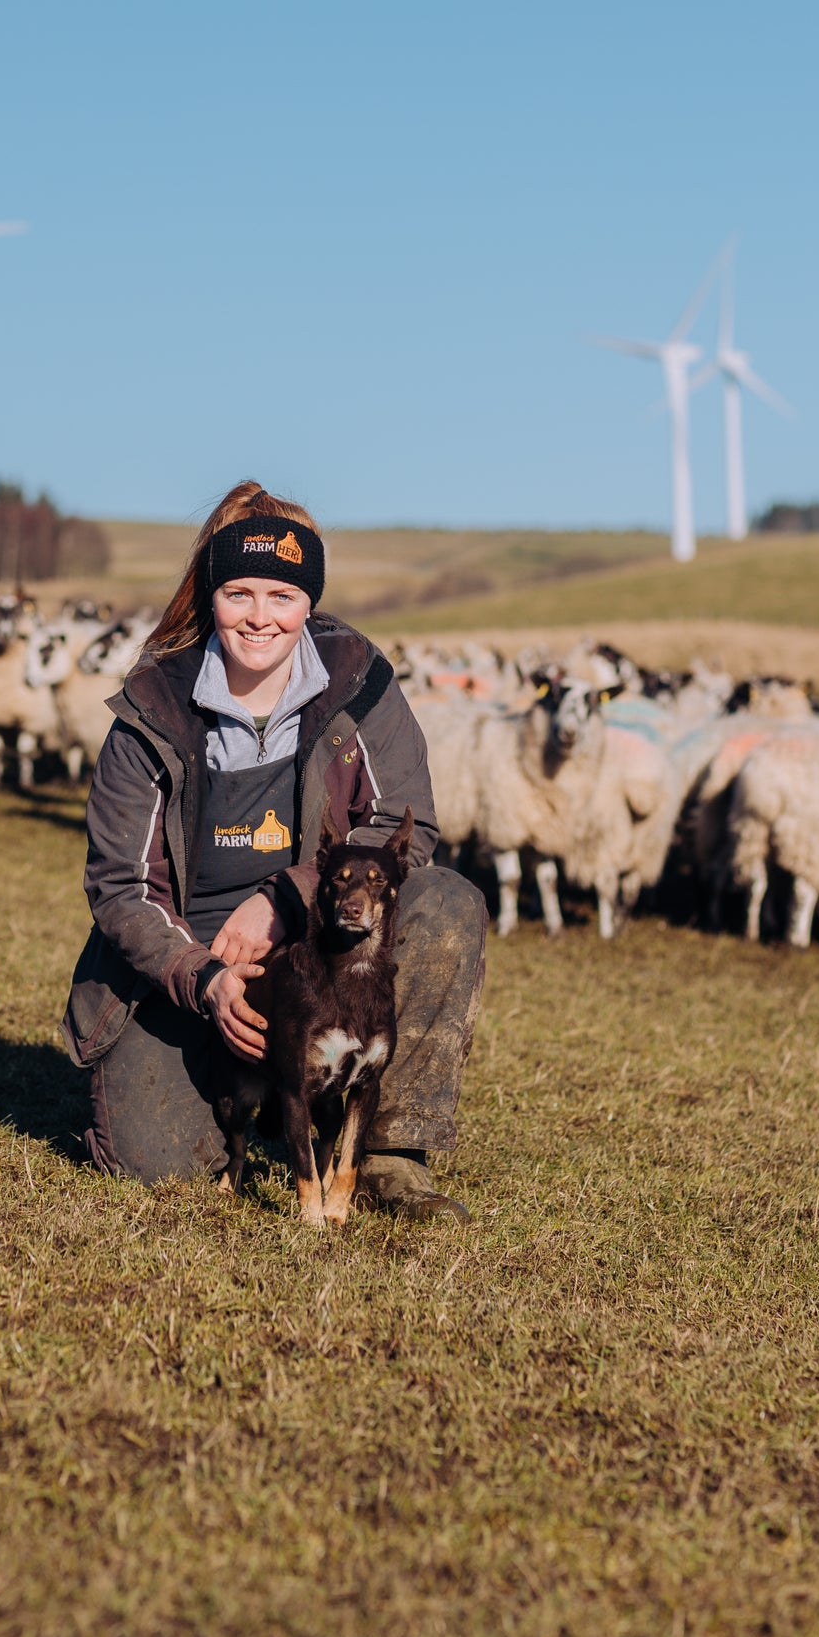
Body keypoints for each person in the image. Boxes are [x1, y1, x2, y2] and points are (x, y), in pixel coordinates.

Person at [60, 480, 486, 1220]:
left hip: (317, 942)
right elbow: (119, 888)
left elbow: (399, 831)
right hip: (188, 966)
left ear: (309, 602)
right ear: (212, 596)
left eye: (283, 597)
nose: (261, 618)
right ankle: (267, 1106)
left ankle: (387, 1153)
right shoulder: (153, 710)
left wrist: (283, 897)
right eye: (240, 595)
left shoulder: (358, 682)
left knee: (445, 899)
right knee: (154, 1165)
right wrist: (206, 978)